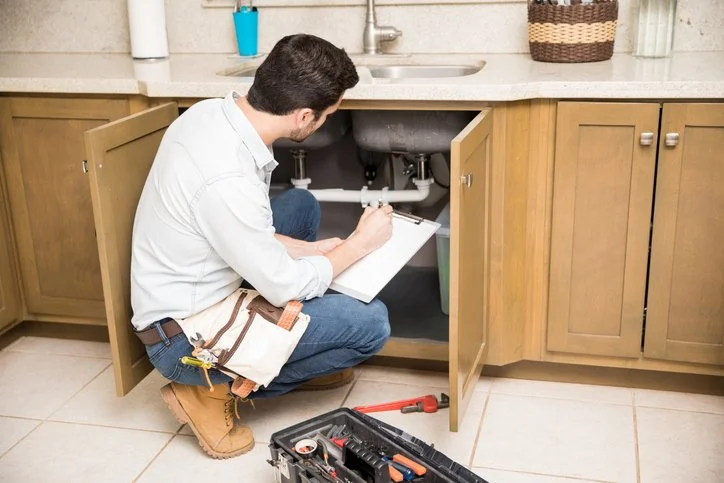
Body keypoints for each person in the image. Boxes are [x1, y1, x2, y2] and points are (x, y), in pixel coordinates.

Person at [129, 34, 393, 459]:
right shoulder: (226, 178)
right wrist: (359, 245)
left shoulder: (211, 113)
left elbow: (242, 231)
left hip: (195, 280)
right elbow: (281, 284)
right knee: (371, 324)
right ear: (303, 116)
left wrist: (316, 251)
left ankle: (286, 349)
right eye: (327, 115)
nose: (325, 121)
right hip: (183, 337)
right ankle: (209, 391)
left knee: (300, 206)